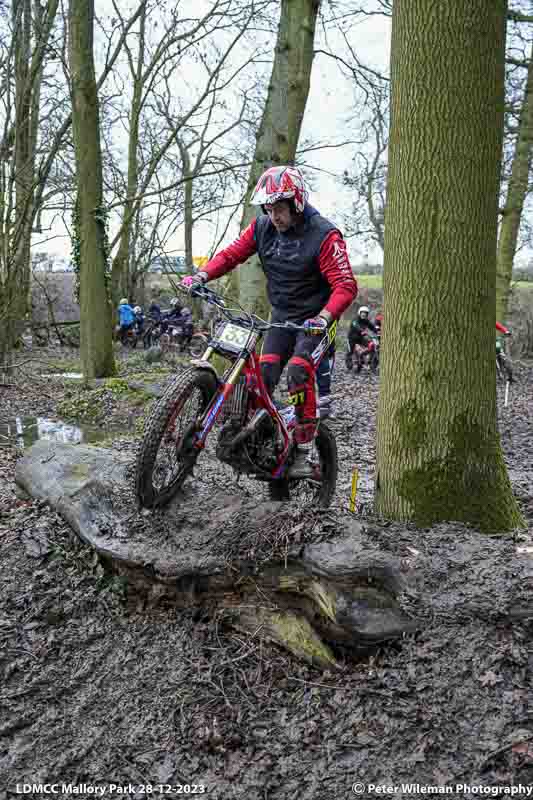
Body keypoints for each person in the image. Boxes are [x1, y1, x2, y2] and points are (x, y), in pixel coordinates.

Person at [181, 164, 357, 477]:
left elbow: (345, 285)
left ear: (296, 202)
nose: (274, 216)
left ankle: (303, 450)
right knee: (261, 375)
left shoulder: (324, 235)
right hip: (281, 317)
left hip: (316, 321)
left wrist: (324, 316)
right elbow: (232, 255)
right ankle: (257, 439)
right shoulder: (262, 228)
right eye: (268, 208)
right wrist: (202, 276)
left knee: (299, 371)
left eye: (279, 208)